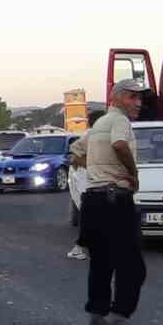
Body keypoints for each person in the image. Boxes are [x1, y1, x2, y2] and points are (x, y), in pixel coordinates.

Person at [80, 82, 147, 325]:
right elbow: (120, 145)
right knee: (132, 265)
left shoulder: (98, 124)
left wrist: (97, 171)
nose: (138, 103)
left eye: (140, 98)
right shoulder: (120, 121)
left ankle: (96, 319)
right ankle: (119, 321)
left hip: (93, 201)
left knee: (101, 262)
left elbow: (77, 152)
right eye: (133, 97)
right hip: (115, 200)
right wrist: (133, 173)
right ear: (117, 99)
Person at [66, 109, 106, 260]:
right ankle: (80, 247)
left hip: (93, 180)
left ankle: (83, 246)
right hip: (86, 181)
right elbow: (74, 159)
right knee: (88, 213)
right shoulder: (90, 135)